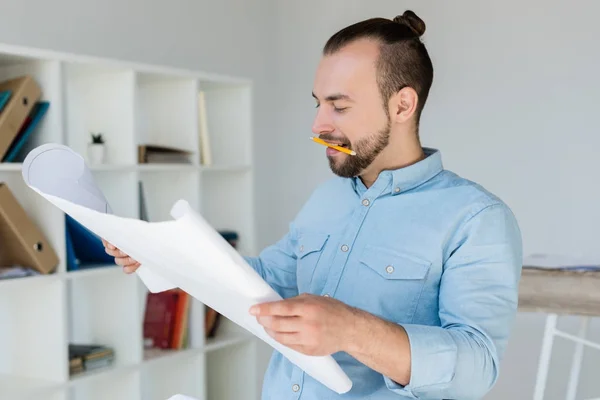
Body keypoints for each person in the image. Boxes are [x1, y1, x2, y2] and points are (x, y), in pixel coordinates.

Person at [104, 10, 523, 400]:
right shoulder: (326, 199)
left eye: (339, 106)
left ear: (402, 104)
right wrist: (167, 256)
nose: (319, 126)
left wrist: (351, 331)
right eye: (318, 104)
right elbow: (269, 282)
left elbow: (477, 366)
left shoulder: (477, 219)